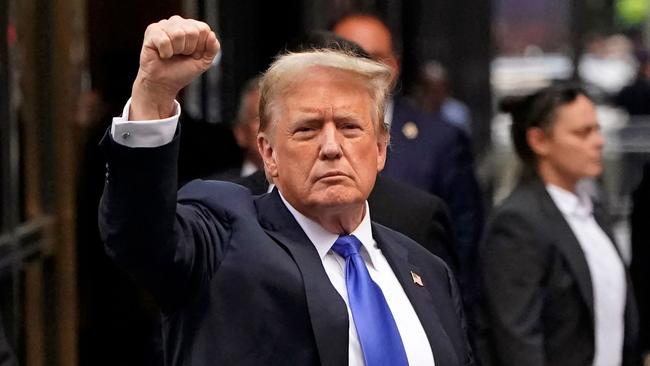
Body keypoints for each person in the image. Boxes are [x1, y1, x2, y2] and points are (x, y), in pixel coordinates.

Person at [99, 15, 474, 366]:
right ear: (268, 153)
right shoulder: (223, 231)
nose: (331, 147)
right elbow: (140, 237)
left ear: (379, 149)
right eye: (307, 129)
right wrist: (154, 94)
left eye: (349, 127)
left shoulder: (426, 270)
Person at [332, 11, 484, 321]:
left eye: (370, 57)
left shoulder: (440, 138)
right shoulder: (310, 140)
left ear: (393, 66)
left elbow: (464, 242)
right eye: (345, 56)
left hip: (418, 309)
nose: (357, 69)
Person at [478, 85, 639, 366]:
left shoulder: (593, 209)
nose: (598, 142)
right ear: (539, 140)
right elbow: (518, 339)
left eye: (597, 130)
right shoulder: (518, 221)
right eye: (582, 133)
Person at [411, 60, 472, 136]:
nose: (434, 95)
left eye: (439, 89)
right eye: (430, 89)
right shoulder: (411, 109)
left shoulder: (457, 112)